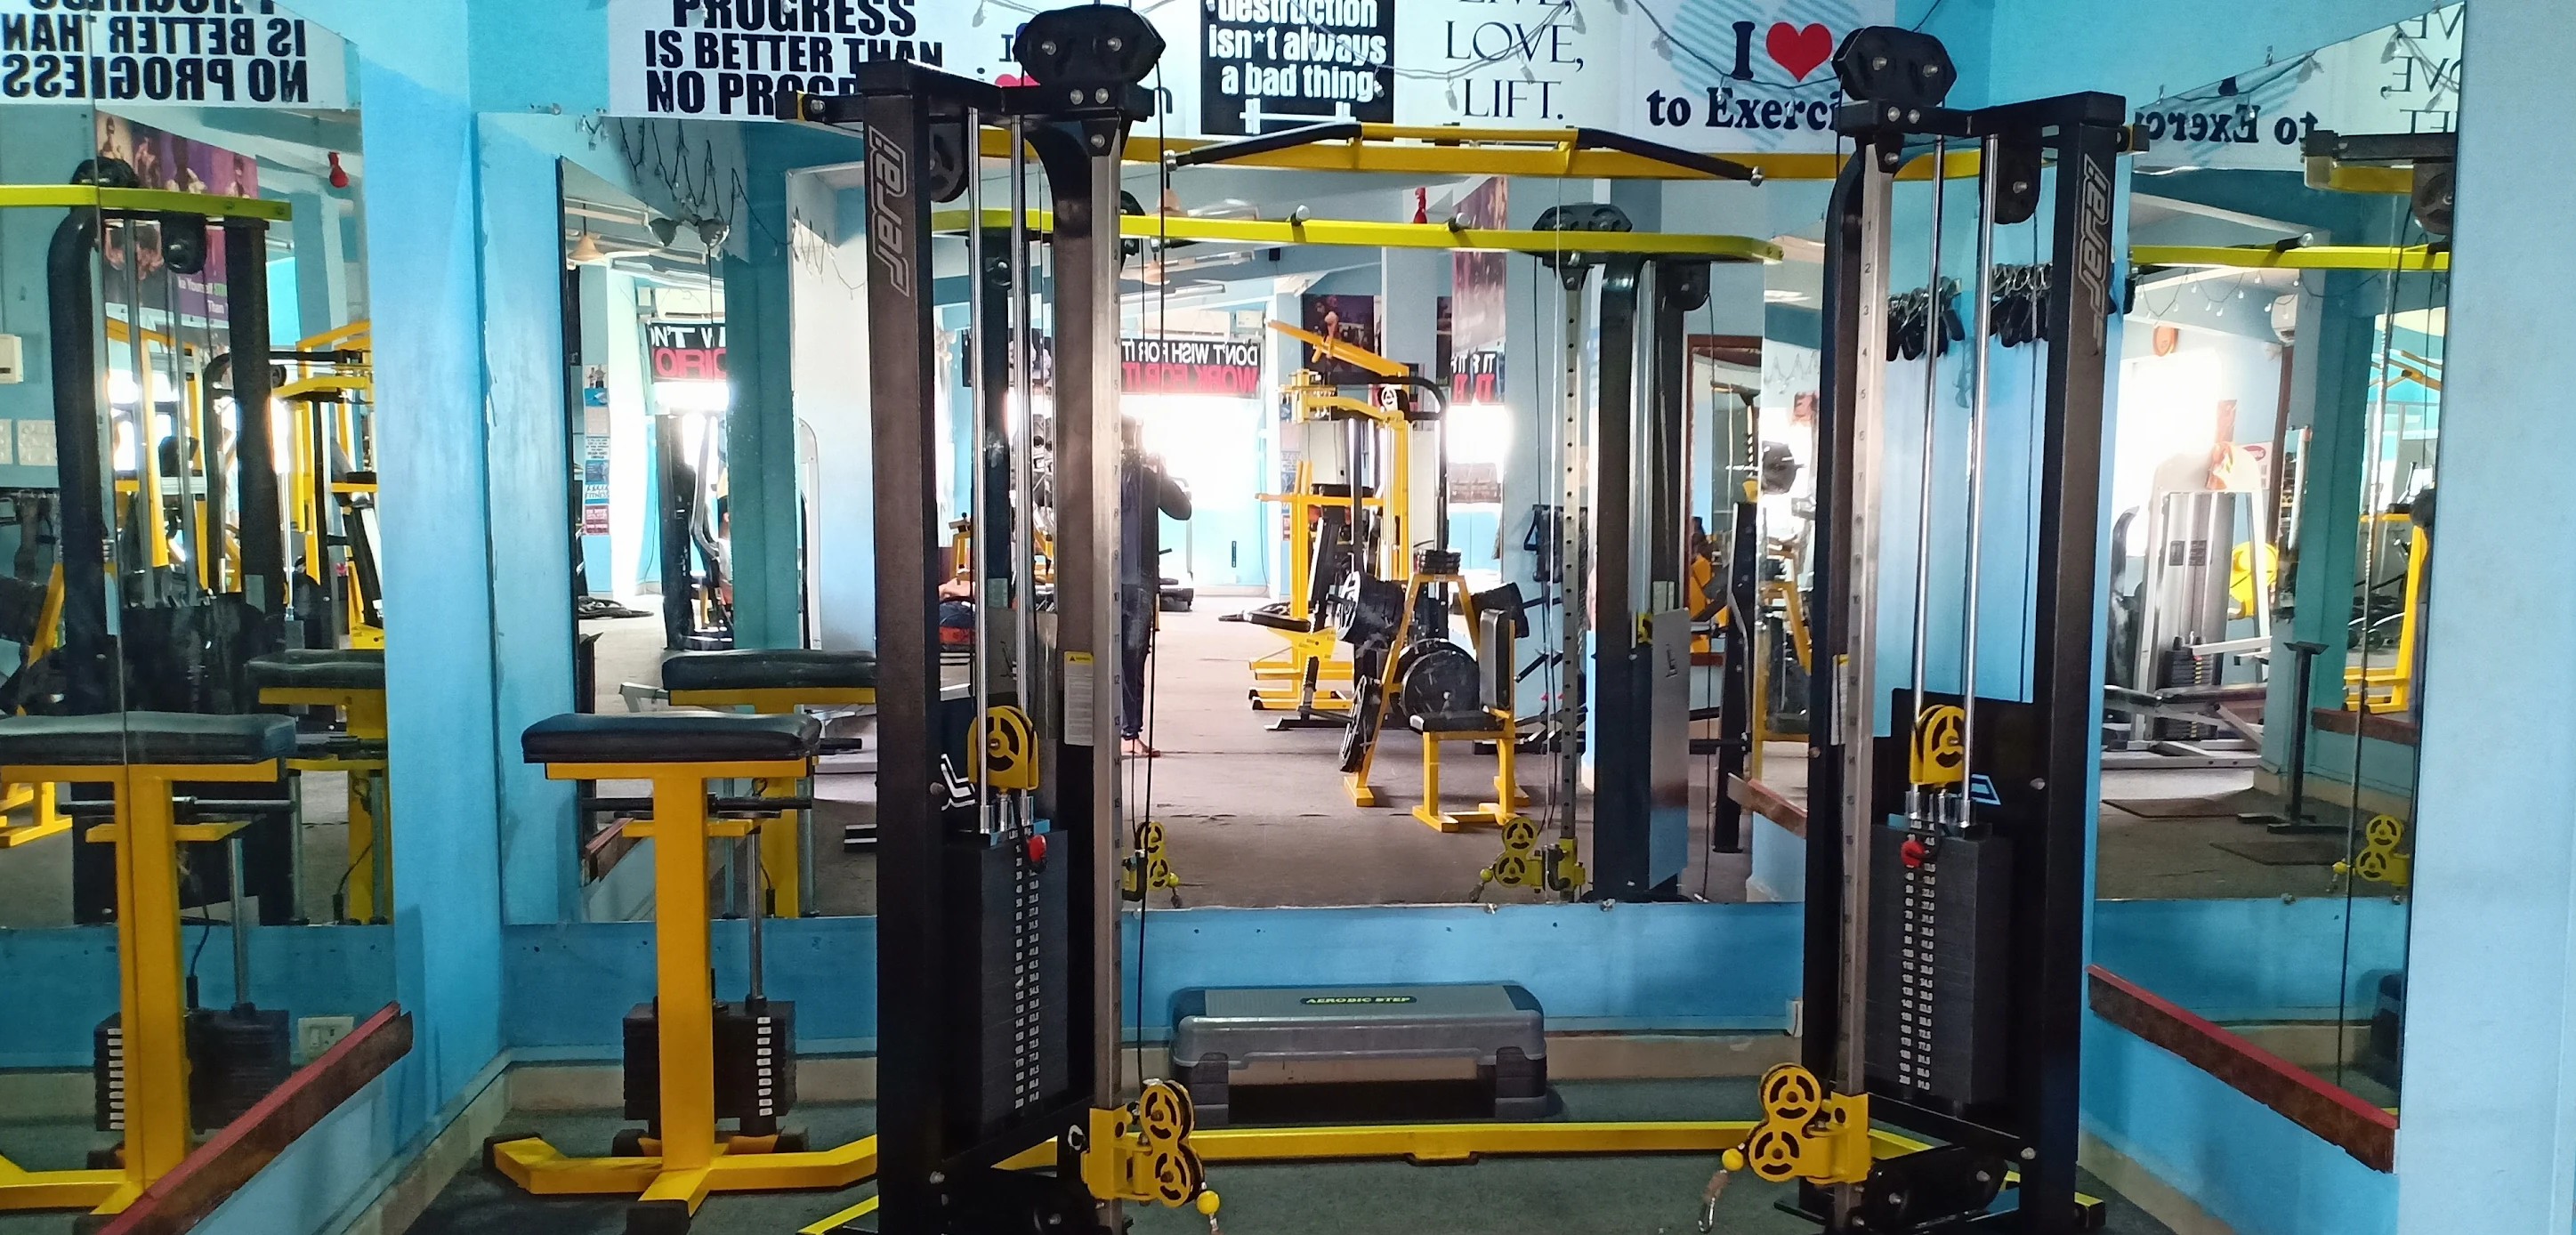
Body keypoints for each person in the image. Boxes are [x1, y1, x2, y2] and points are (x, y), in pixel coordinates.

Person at [1119, 418, 1191, 757]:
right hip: (1137, 582)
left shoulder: (1109, 479)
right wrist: (1161, 473)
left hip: (1118, 580)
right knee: (1132, 658)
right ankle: (1128, 732)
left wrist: (1159, 475)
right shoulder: (1146, 480)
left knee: (1124, 657)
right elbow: (1183, 509)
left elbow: (1182, 510)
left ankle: (1123, 731)